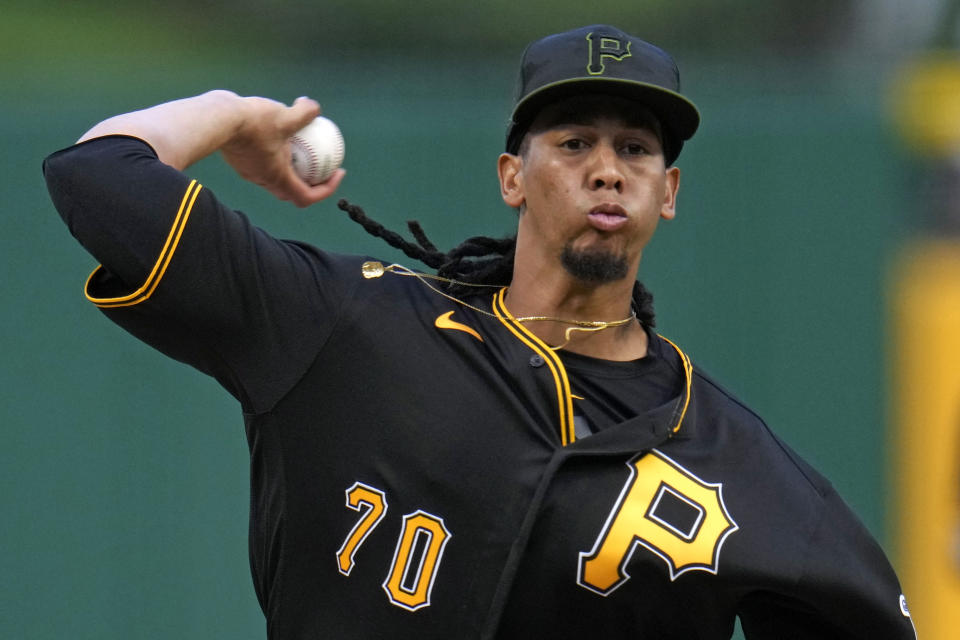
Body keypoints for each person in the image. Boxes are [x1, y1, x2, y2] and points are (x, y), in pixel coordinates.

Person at [44, 24, 916, 640]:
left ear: (669, 192)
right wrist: (229, 110)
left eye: (636, 149)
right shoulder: (350, 327)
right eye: (573, 142)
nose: (607, 169)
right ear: (513, 176)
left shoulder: (733, 457)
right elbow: (99, 179)